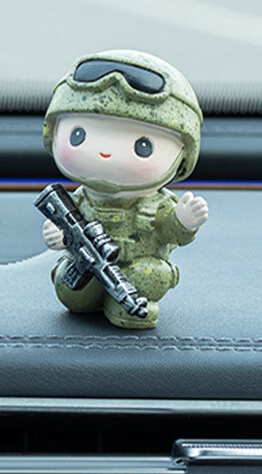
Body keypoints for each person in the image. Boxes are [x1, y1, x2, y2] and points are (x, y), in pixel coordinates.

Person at [41, 49, 208, 329]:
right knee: (70, 289)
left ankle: (126, 307)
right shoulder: (81, 200)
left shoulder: (154, 205)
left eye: (143, 146)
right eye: (79, 134)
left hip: (136, 265)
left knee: (149, 276)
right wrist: (60, 235)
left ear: (183, 154)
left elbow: (168, 230)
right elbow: (64, 222)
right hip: (86, 264)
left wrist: (183, 221)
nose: (105, 153)